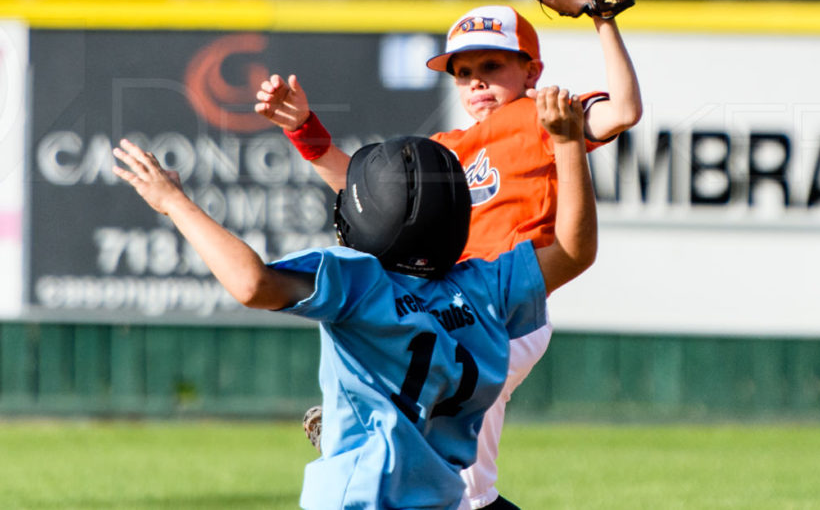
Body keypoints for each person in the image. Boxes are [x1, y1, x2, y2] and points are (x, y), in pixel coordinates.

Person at [113, 85, 597, 510]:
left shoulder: (358, 281)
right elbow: (575, 252)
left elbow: (252, 284)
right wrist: (568, 144)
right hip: (441, 498)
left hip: (356, 496)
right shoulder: (485, 287)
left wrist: (173, 203)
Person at [255, 4, 642, 510]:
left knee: (450, 486)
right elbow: (370, 199)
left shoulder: (537, 117)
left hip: (506, 307)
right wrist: (305, 128)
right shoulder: (444, 149)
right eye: (464, 73)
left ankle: (387, 418)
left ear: (531, 71)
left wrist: (604, 22)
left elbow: (625, 111)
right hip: (452, 307)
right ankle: (391, 418)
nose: (477, 82)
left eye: (492, 66)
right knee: (465, 494)